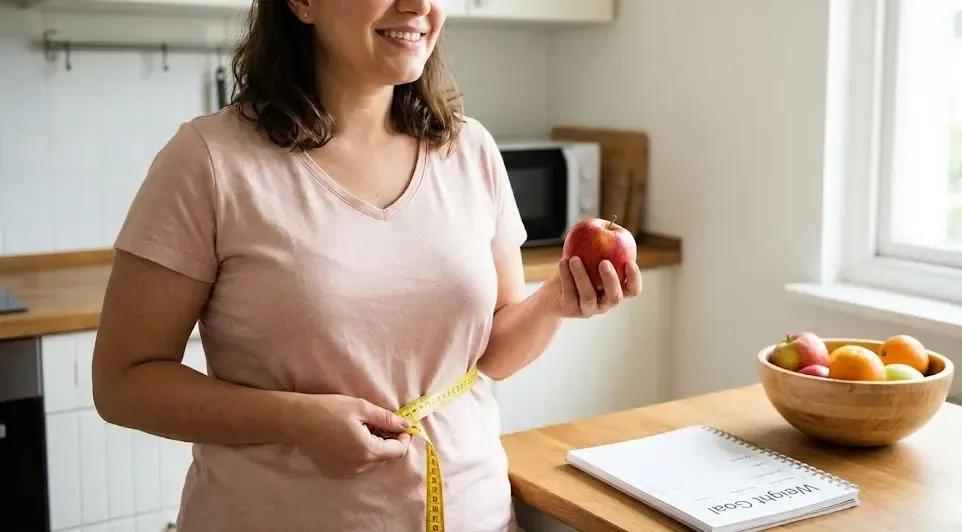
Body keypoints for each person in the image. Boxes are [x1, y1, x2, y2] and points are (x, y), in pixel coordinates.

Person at [90, 0, 643, 531]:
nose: (417, 4)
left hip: (469, 511)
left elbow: (489, 356)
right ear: (302, 2)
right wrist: (296, 421)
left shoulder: (470, 150)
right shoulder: (209, 160)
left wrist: (553, 304)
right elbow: (123, 383)